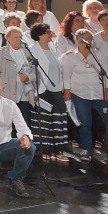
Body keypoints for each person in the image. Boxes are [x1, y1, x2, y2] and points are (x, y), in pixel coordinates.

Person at [61, 28, 108, 159]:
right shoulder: (70, 56)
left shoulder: (98, 54)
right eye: (82, 39)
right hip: (79, 94)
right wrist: (67, 91)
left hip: (99, 93)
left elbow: (107, 72)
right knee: (85, 122)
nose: (85, 42)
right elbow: (66, 75)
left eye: (88, 39)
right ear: (76, 41)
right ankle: (88, 150)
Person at [29, 23, 68, 163]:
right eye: (46, 32)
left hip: (56, 89)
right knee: (44, 120)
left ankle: (58, 150)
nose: (50, 34)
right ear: (39, 35)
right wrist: (34, 91)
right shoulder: (32, 50)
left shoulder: (52, 48)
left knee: (58, 118)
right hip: (41, 90)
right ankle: (45, 150)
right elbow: (31, 71)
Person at [0, 27, 36, 130]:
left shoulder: (27, 52)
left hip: (25, 94)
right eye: (15, 37)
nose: (18, 40)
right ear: (8, 38)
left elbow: (36, 72)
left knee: (23, 124)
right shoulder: (1, 53)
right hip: (8, 94)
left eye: (20, 37)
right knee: (9, 126)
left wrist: (28, 77)